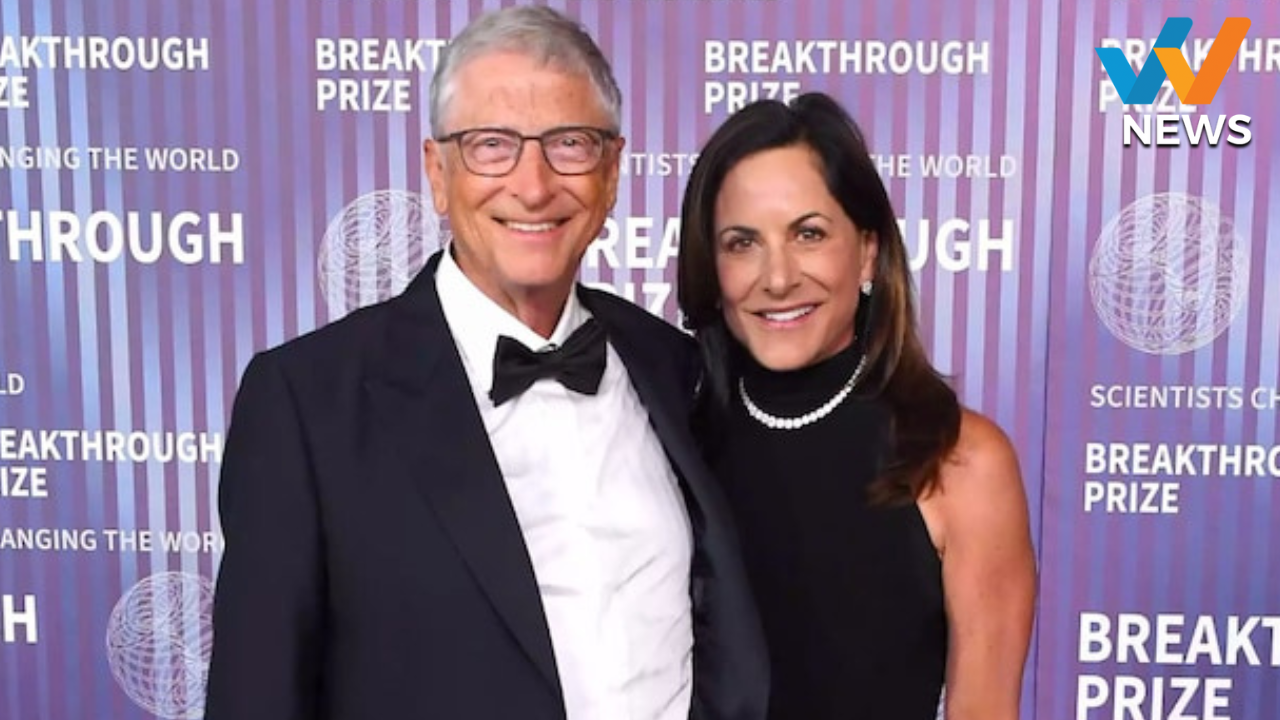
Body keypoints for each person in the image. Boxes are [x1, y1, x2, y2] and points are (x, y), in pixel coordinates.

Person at [204, 7, 767, 720]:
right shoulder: (306, 403)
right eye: (491, 146)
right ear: (437, 172)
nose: (533, 185)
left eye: (569, 144)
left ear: (612, 172)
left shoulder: (675, 366)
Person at [677, 92, 1036, 720]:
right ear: (713, 265)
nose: (778, 277)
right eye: (742, 243)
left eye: (808, 234)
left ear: (867, 251)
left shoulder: (959, 461)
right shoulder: (670, 443)